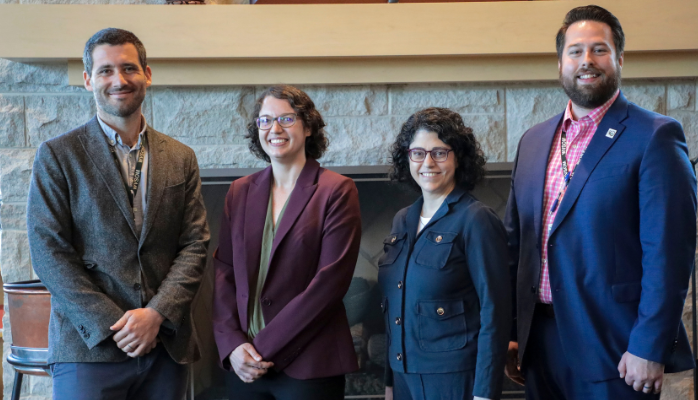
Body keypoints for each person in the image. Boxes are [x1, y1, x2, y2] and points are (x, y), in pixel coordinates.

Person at [503, 6, 697, 399]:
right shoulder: (533, 140)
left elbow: (669, 253)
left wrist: (649, 345)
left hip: (615, 347)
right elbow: (515, 244)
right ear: (560, 62)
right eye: (575, 51)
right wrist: (511, 333)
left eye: (599, 50)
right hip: (539, 344)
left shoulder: (654, 136)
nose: (586, 61)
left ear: (620, 59)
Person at [27, 28, 210, 400]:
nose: (119, 80)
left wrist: (156, 314)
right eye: (106, 70)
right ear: (87, 80)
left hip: (165, 345)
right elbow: (49, 252)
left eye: (129, 68)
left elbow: (195, 244)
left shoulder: (181, 157)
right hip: (88, 349)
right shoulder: (58, 155)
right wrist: (115, 325)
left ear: (147, 74)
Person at [211, 85, 362, 399]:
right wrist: (233, 345)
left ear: (308, 127)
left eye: (286, 119)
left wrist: (261, 348)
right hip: (243, 366)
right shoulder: (239, 192)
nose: (274, 129)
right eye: (265, 121)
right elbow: (224, 272)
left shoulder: (336, 190)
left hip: (309, 365)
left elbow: (329, 284)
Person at [380, 107, 511, 400]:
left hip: (454, 378)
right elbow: (394, 306)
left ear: (459, 157)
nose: (428, 162)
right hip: (404, 378)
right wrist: (390, 381)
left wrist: (485, 393)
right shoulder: (402, 219)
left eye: (439, 152)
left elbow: (496, 311)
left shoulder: (476, 219)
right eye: (418, 153)